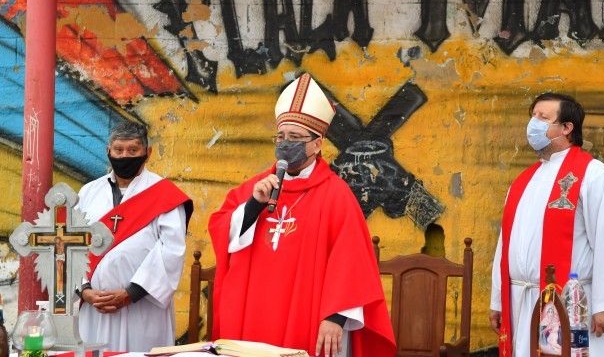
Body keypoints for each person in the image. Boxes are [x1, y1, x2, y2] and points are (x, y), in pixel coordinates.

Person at [208, 73, 396, 357]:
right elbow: (222, 232)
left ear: (317, 144)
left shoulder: (336, 195)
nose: (286, 144)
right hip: (255, 314)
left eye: (295, 138)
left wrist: (335, 318)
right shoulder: (256, 188)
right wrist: (253, 206)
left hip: (308, 316)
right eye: (281, 137)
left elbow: (352, 264)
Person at [489, 93, 604, 356]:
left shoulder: (593, 174)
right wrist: (499, 299)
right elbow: (505, 245)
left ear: (566, 128)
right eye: (533, 116)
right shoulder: (523, 181)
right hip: (522, 303)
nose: (534, 124)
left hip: (573, 304)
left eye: (543, 118)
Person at [75, 121, 193, 351]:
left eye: (133, 150)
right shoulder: (87, 193)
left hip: (142, 309)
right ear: (108, 151)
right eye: (119, 150)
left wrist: (131, 294)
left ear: (147, 153)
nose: (125, 156)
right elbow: (72, 244)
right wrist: (85, 291)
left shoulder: (165, 195)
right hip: (94, 308)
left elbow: (172, 251)